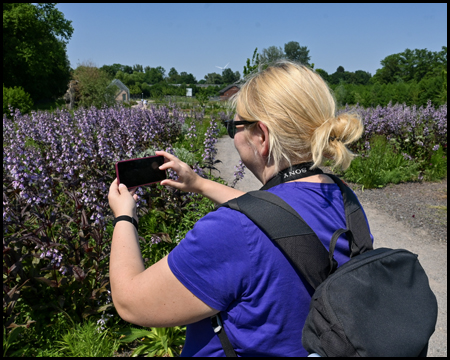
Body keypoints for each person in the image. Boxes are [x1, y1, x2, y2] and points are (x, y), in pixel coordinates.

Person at [107, 59, 373, 357]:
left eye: (234, 127)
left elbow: (131, 302)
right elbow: (279, 216)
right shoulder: (344, 197)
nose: (233, 136)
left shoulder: (233, 230)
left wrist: (124, 216)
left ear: (261, 136)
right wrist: (200, 183)